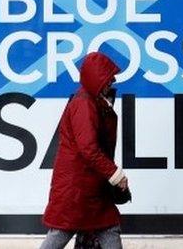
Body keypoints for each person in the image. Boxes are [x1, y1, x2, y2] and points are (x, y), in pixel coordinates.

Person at [40, 51, 128, 249]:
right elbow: (88, 148)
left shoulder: (94, 102)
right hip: (78, 188)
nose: (112, 81)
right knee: (62, 232)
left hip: (89, 186)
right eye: (108, 78)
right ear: (97, 79)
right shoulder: (84, 104)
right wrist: (115, 174)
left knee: (107, 227)